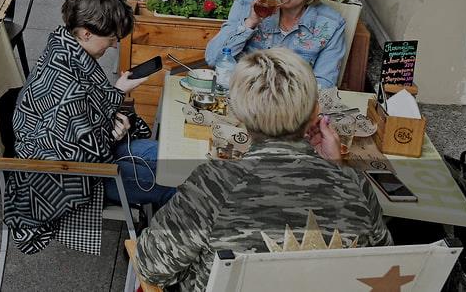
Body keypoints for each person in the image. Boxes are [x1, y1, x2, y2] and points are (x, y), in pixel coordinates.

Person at [137, 47, 390, 292]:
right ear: (316, 112)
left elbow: (151, 265)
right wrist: (337, 168)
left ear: (238, 114)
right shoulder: (355, 183)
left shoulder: (214, 184)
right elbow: (382, 261)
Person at [4, 0, 172, 255]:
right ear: (86, 33)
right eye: (112, 38)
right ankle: (155, 255)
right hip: (69, 178)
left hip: (80, 158)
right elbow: (80, 154)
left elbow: (82, 121)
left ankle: (159, 239)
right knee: (176, 182)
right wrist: (113, 133)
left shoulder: (62, 49)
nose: (115, 44)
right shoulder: (68, 86)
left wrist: (117, 93)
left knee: (175, 160)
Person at [207, 0, 348, 88]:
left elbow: (324, 84)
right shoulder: (245, 5)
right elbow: (213, 59)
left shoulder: (330, 24)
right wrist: (250, 22)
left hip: (294, 100)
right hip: (243, 95)